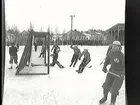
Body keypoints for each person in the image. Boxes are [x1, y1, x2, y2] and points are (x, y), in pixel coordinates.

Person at [99, 41, 125, 105]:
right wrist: (104, 67)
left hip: (119, 74)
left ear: (119, 47)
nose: (113, 47)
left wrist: (123, 73)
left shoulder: (122, 55)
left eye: (115, 46)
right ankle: (105, 97)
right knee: (105, 86)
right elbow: (107, 60)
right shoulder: (110, 53)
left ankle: (112, 102)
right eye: (113, 46)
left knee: (114, 89)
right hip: (111, 71)